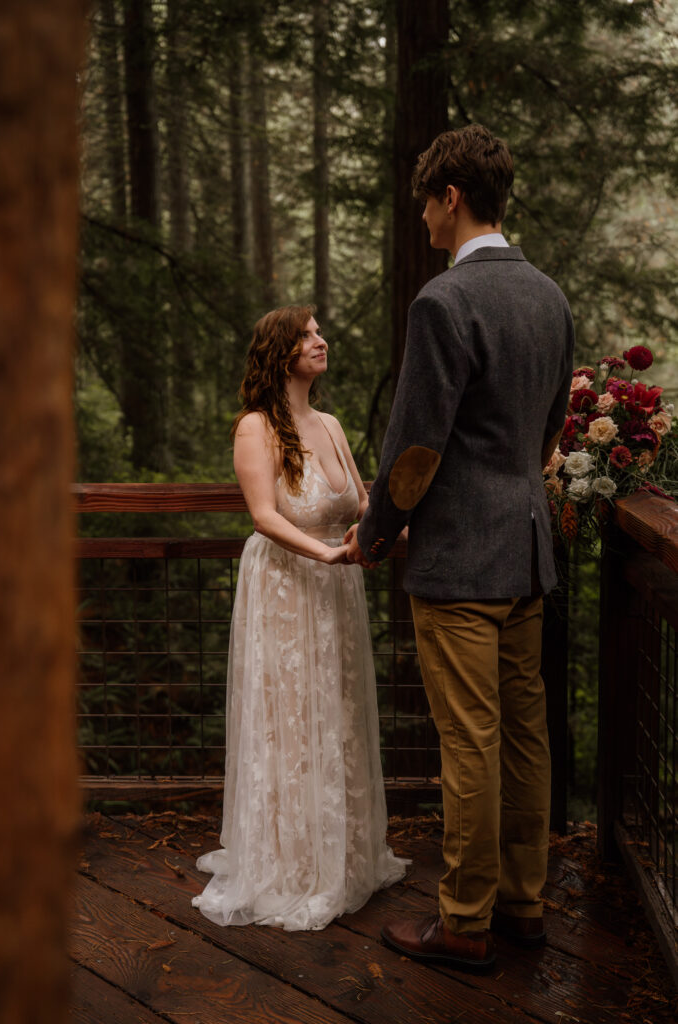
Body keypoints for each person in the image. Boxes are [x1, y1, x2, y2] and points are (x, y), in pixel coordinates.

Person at [345, 124, 574, 970]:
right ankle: (522, 905)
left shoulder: (443, 302)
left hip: (458, 564)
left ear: (450, 197)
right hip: (524, 551)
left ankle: (465, 922)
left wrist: (375, 533)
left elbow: (415, 445)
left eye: (425, 205)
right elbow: (548, 431)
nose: (422, 221)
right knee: (523, 737)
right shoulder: (549, 296)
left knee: (469, 742)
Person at [192, 305, 407, 931]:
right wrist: (329, 554)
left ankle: (342, 855)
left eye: (320, 333)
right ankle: (288, 861)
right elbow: (264, 515)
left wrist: (376, 535)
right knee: (288, 715)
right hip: (284, 586)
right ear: (281, 351)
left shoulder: (333, 424)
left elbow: (362, 504)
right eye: (309, 335)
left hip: (338, 589)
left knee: (336, 711)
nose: (323, 341)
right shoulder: (255, 427)